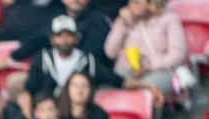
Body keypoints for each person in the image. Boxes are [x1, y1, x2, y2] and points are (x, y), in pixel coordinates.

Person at [25, 15, 158, 102]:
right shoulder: (42, 59)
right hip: (47, 115)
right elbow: (28, 91)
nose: (65, 40)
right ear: (52, 39)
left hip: (77, 116)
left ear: (76, 38)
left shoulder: (87, 61)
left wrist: (145, 86)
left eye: (69, 35)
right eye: (60, 36)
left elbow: (116, 80)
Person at [104, 0, 187, 102]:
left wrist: (150, 65)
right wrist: (121, 24)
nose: (131, 5)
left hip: (160, 70)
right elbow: (110, 52)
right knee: (105, 89)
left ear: (151, 4)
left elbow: (178, 54)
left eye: (136, 2)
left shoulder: (169, 19)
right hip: (127, 71)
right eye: (130, 0)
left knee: (143, 91)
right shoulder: (125, 20)